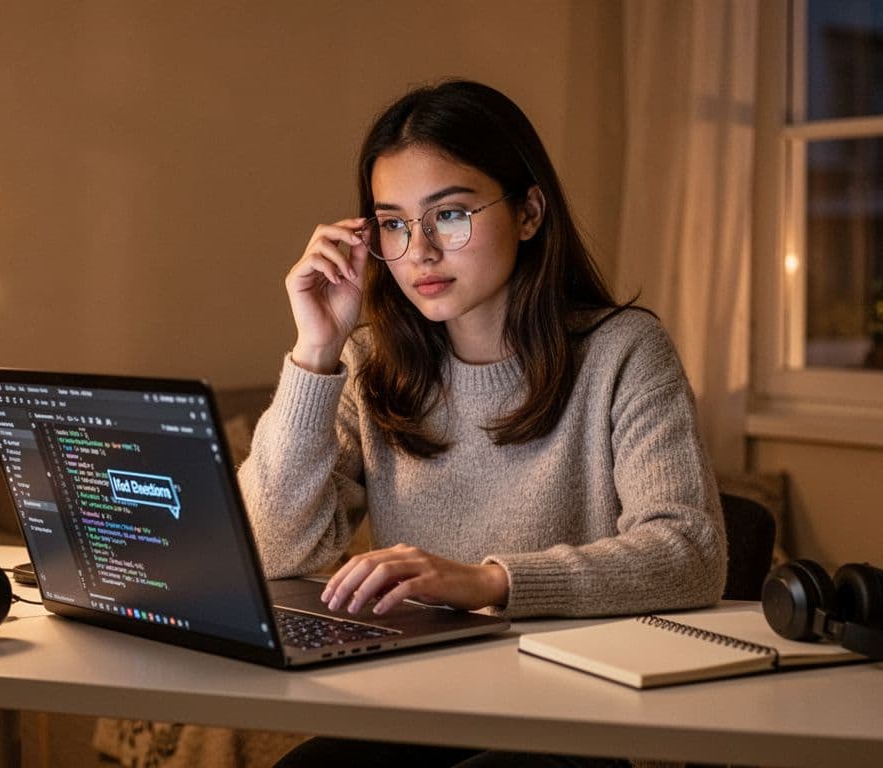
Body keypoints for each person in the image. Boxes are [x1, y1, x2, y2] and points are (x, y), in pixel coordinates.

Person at [237, 79, 726, 768]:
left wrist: (491, 581)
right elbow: (270, 553)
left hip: (583, 713)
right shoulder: (369, 362)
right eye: (395, 224)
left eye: (451, 215)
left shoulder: (623, 351)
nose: (421, 253)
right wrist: (315, 352)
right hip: (430, 702)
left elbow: (691, 556)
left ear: (529, 212)